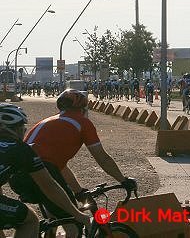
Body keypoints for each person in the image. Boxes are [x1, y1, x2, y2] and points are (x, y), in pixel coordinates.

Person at [10, 89, 137, 235]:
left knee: (55, 220)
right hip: (44, 173)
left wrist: (78, 191)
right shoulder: (82, 123)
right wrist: (123, 180)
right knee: (74, 225)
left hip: (19, 177)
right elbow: (102, 158)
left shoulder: (48, 121)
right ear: (83, 109)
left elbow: (60, 166)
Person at [0, 103, 90, 237]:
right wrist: (78, 215)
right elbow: (49, 186)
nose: (23, 131)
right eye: (21, 128)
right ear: (8, 129)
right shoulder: (20, 149)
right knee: (30, 220)